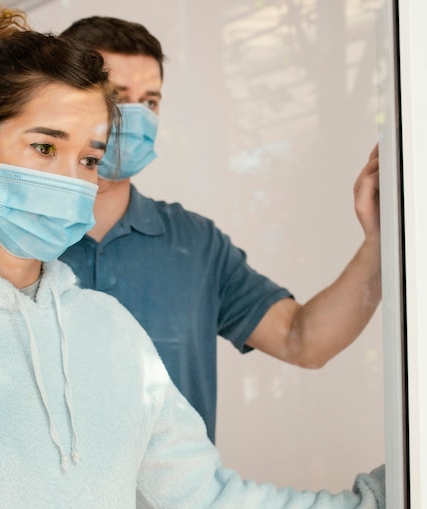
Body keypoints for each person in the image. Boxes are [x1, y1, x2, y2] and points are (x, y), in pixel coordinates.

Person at [0, 7, 385, 508]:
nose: (72, 179)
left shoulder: (112, 329)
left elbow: (209, 497)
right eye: (45, 147)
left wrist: (384, 496)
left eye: (90, 158)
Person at [59, 17, 382, 442]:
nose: (135, 118)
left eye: (150, 102)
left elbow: (301, 340)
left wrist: (380, 244)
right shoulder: (17, 238)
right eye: (117, 98)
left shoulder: (195, 244)